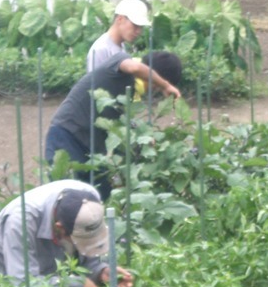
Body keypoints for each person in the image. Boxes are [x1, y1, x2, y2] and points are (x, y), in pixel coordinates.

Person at [0, 180, 132, 287]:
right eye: (77, 239)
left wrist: (101, 271)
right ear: (59, 228)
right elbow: (23, 285)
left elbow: (86, 249)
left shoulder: (88, 200)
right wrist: (79, 285)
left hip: (40, 259)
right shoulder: (21, 221)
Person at [45, 50, 183, 199]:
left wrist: (142, 141)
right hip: (67, 137)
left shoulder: (131, 97)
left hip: (91, 152)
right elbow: (135, 69)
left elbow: (121, 132)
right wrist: (165, 85)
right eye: (156, 87)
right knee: (66, 200)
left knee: (102, 198)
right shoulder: (121, 62)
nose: (154, 90)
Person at [86, 0, 151, 72]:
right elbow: (94, 82)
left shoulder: (121, 45)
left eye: (141, 27)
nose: (139, 31)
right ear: (120, 19)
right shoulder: (100, 50)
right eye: (135, 25)